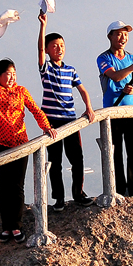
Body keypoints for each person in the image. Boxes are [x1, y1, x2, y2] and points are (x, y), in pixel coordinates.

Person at [0, 30, 57, 242]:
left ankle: (17, 226)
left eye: (14, 73)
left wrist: (46, 127)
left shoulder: (21, 91)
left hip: (20, 144)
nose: (12, 77)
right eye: (7, 73)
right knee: (3, 186)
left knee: (17, 186)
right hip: (0, 145)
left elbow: (35, 109)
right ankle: (6, 226)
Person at [37, 11, 96, 211]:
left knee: (77, 158)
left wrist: (88, 107)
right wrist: (43, 26)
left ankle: (78, 194)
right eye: (54, 46)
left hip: (70, 120)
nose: (59, 49)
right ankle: (59, 198)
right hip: (51, 122)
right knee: (55, 161)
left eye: (61, 45)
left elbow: (82, 89)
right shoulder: (46, 68)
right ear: (47, 50)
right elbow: (38, 50)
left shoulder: (70, 70)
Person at [96, 21, 133, 197]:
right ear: (110, 36)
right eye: (119, 34)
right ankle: (119, 188)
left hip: (132, 109)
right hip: (113, 110)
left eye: (125, 34)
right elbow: (115, 75)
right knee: (116, 152)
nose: (123, 38)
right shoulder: (104, 58)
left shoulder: (132, 58)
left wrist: (132, 90)